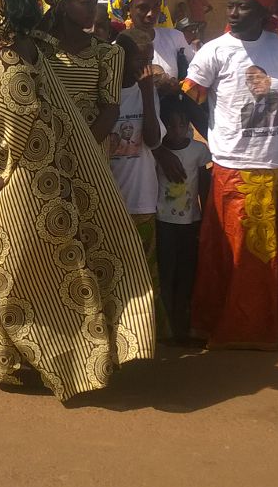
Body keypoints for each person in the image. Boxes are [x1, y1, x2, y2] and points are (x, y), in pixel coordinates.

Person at [0, 0, 156, 400]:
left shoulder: (18, 59)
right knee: (49, 264)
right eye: (84, 1)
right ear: (56, 6)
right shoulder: (39, 53)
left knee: (34, 265)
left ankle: (59, 357)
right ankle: (58, 355)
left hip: (50, 173)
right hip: (53, 170)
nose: (95, 10)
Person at [182, 0, 278, 349]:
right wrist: (216, 132)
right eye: (231, 7)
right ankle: (225, 324)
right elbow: (190, 99)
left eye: (243, 8)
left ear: (263, 12)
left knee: (268, 254)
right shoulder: (213, 51)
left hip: (274, 167)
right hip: (231, 167)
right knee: (230, 253)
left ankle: (268, 326)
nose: (233, 14)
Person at [108, 29, 168, 335]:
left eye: (148, 60)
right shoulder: (104, 90)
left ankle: (143, 333)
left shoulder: (148, 92)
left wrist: (146, 92)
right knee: (110, 269)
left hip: (141, 198)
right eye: (137, 59)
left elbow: (154, 140)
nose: (143, 68)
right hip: (110, 199)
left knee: (143, 270)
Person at [38, 0, 121, 144]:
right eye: (86, 3)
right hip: (44, 151)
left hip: (89, 153)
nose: (93, 9)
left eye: (95, 3)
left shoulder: (107, 52)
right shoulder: (38, 48)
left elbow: (111, 109)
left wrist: (82, 150)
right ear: (64, 5)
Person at [155, 97, 210, 342]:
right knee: (166, 272)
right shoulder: (157, 153)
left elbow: (204, 187)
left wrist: (206, 218)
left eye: (182, 125)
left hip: (190, 223)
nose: (177, 131)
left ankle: (183, 324)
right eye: (171, 125)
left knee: (187, 274)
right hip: (163, 222)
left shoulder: (198, 151)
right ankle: (168, 328)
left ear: (189, 125)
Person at [112, 0, 194, 93]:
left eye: (156, 6)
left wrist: (178, 86)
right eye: (143, 7)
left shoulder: (175, 38)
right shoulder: (117, 49)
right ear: (128, 10)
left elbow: (195, 73)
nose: (151, 14)